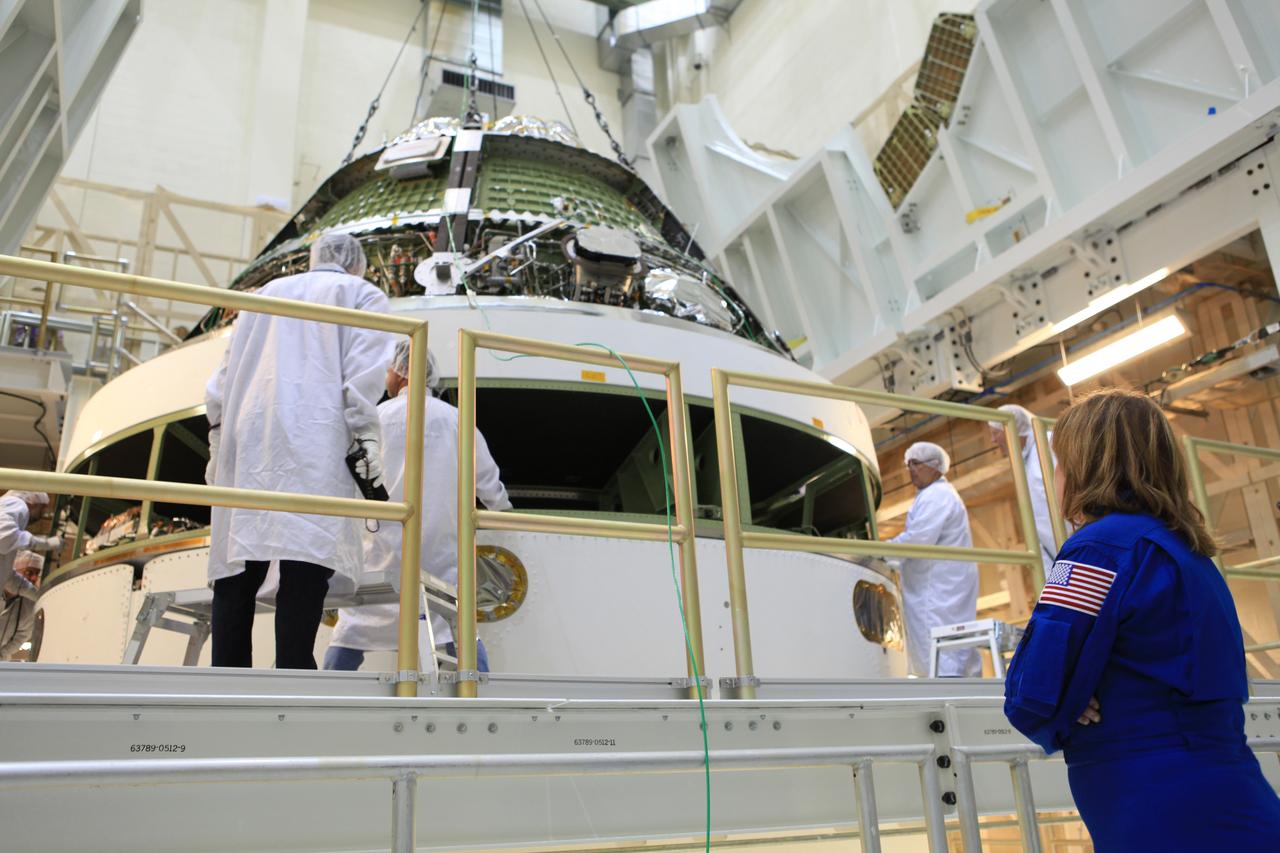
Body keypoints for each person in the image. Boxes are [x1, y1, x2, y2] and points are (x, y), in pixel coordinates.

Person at [1004, 389, 1280, 850]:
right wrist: (1070, 690)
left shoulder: (1098, 549)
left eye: (1059, 463)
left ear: (1086, 467)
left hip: (1157, 808)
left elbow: (1033, 692)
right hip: (1228, 796)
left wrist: (1069, 696)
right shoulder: (1188, 553)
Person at [205, 233, 394, 669]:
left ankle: (226, 678)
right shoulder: (362, 295)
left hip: (248, 433)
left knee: (239, 564)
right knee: (305, 560)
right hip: (315, 434)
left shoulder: (265, 295)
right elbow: (363, 381)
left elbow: (218, 385)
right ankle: (293, 673)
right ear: (358, 264)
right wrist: (366, 444)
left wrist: (219, 448)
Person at [324, 341, 512, 671]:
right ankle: (483, 699)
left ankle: (319, 706)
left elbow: (348, 480)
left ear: (398, 372)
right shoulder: (456, 420)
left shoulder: (376, 419)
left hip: (380, 552)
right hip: (440, 556)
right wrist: (505, 517)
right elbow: (488, 483)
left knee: (353, 630)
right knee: (458, 632)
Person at [889, 442, 980, 677]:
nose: (911, 470)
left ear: (935, 467)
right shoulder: (931, 495)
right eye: (908, 465)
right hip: (938, 589)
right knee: (947, 648)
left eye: (916, 464)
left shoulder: (937, 496)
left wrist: (878, 551)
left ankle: (948, 693)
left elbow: (918, 539)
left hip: (937, 592)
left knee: (941, 650)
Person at [988, 404, 1058, 575]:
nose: (993, 440)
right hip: (1060, 555)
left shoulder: (1048, 445)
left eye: (996, 433)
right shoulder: (1026, 461)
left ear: (1013, 428)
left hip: (1081, 549)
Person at [0, 491, 59, 594]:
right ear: (32, 501)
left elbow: (7, 578)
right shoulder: (17, 503)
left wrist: (37, 596)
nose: (41, 515)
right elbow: (4, 538)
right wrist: (46, 544)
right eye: (41, 508)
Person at [0, 553, 41, 660]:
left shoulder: (31, 604)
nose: (34, 578)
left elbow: (22, 635)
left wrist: (2, 654)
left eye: (37, 574)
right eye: (28, 572)